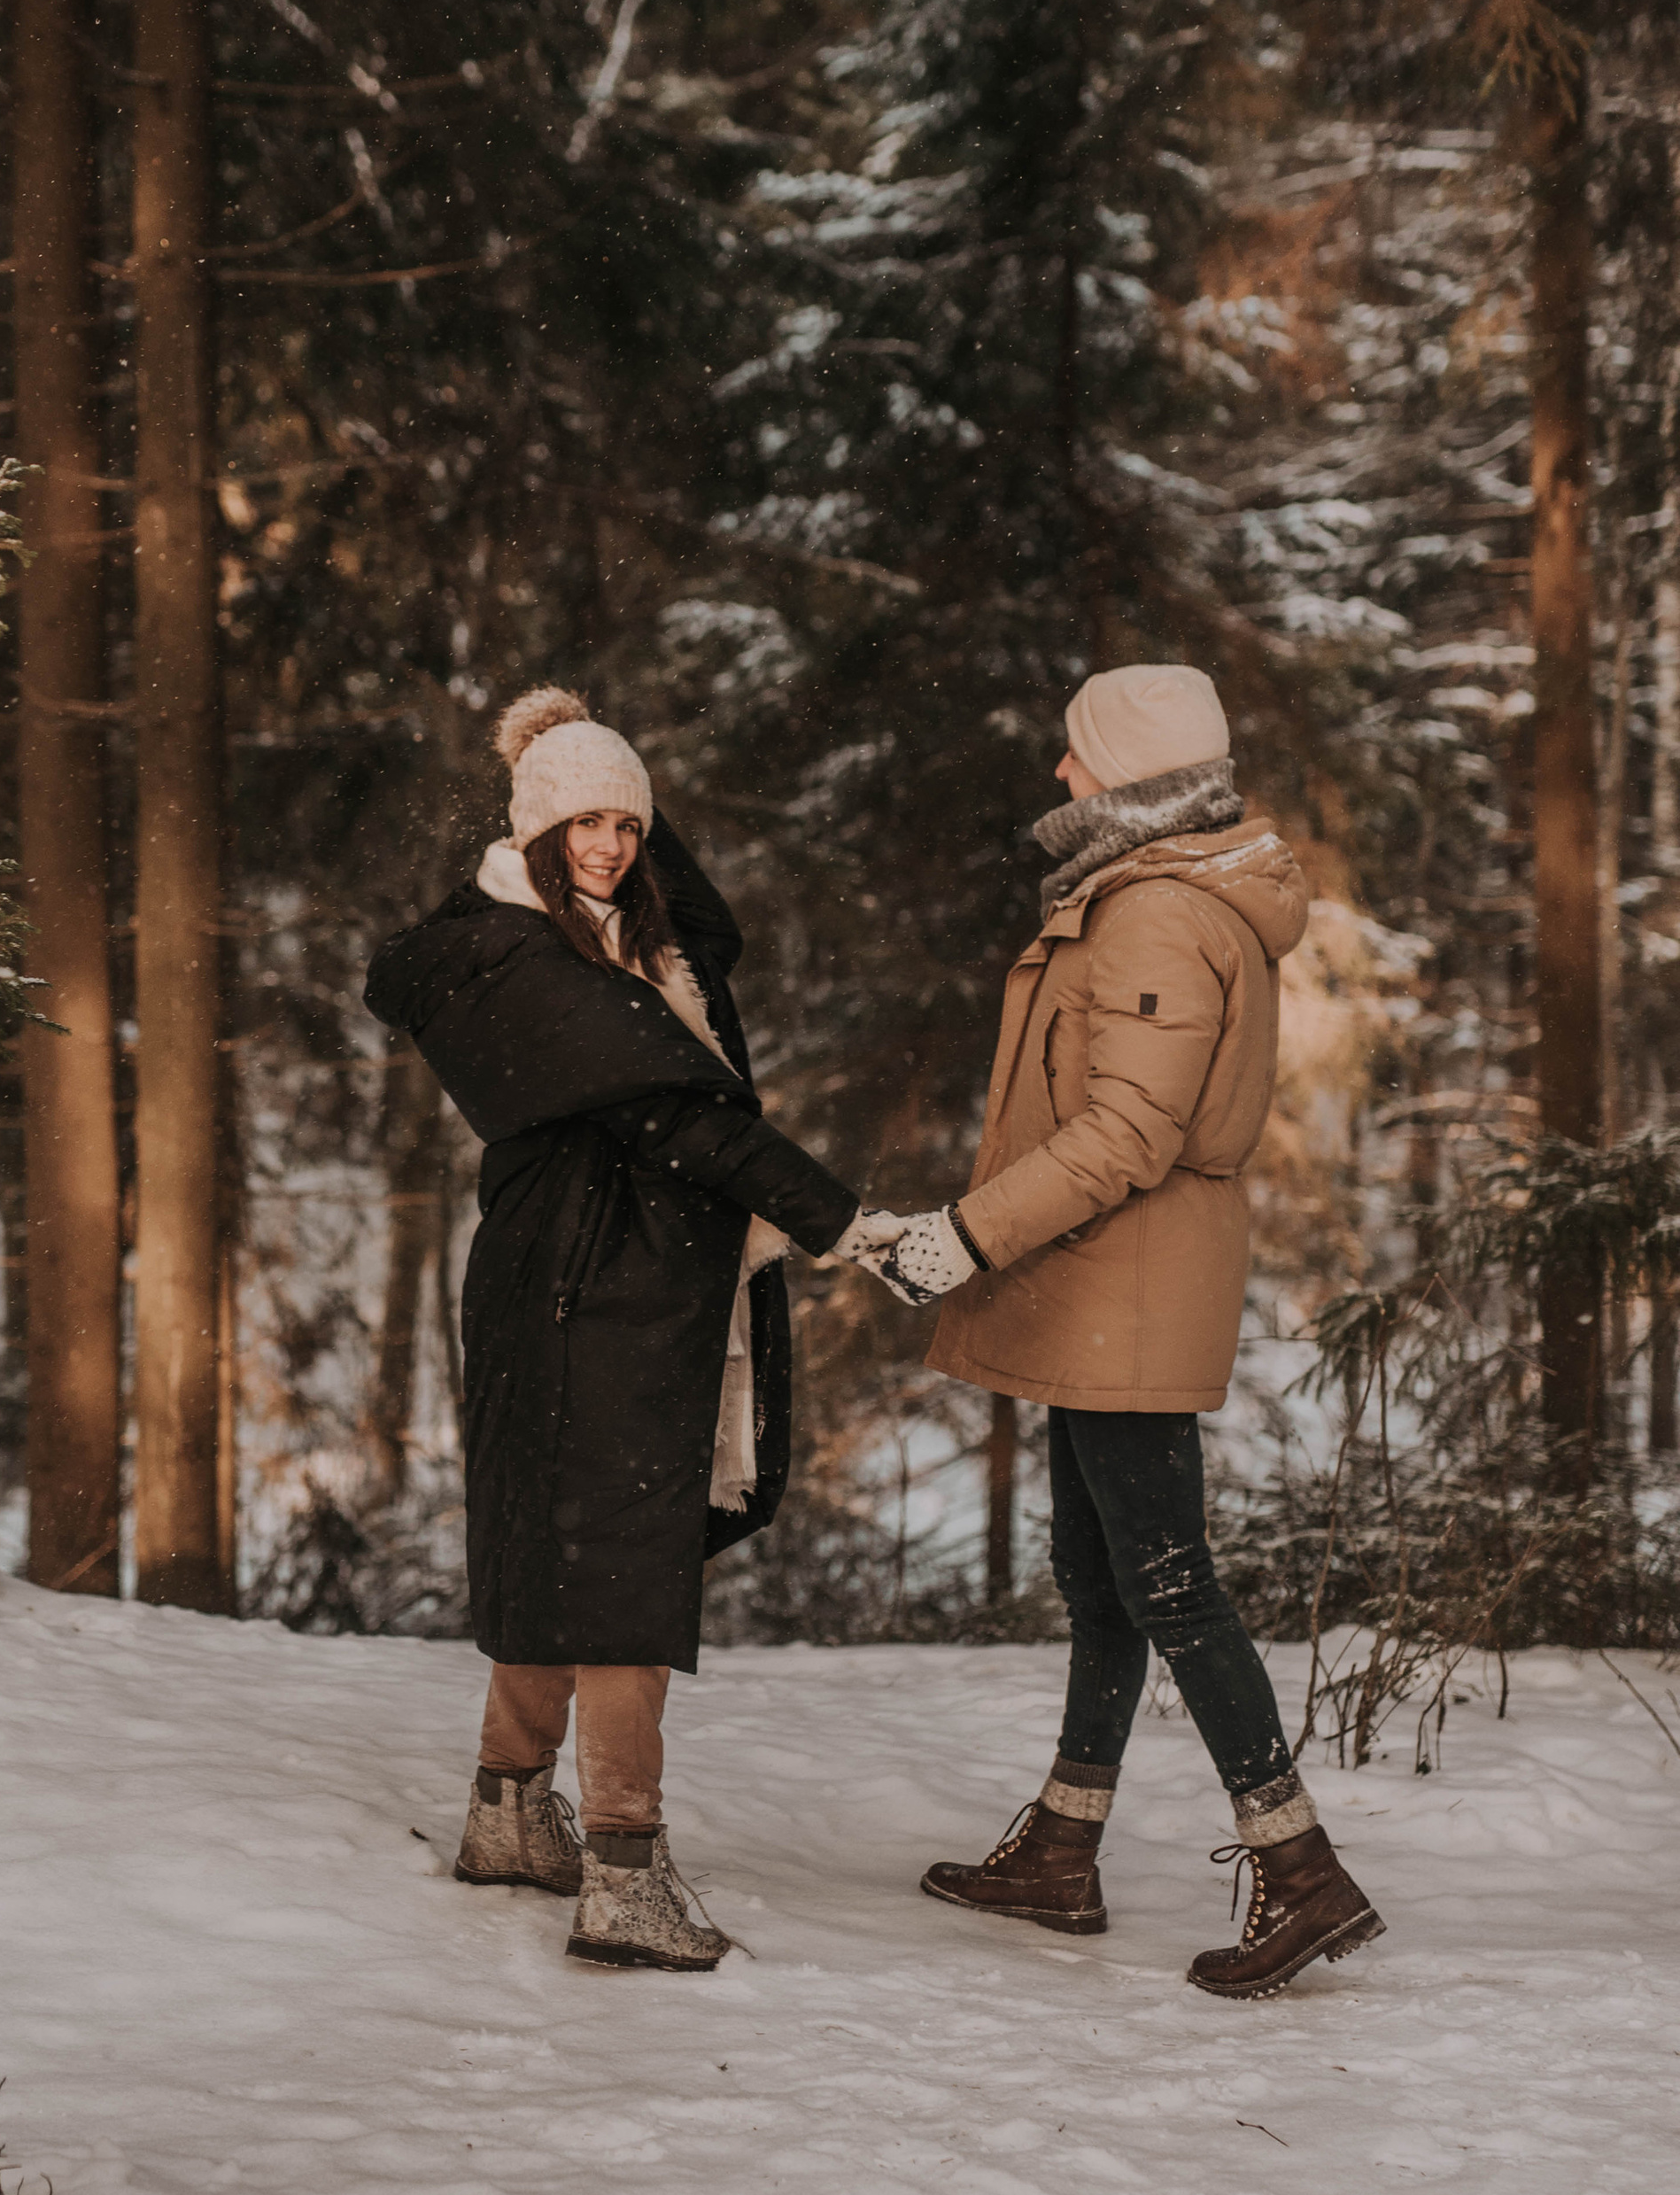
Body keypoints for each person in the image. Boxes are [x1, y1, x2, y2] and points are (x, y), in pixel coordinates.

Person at [364, 688, 910, 1973]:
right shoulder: (514, 958)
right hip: (581, 1286)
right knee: (619, 1565)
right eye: (584, 823)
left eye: (629, 823)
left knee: (572, 1547)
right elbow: (687, 1120)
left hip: (610, 1275)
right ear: (534, 829)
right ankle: (623, 1864)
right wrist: (850, 1224)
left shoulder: (624, 932)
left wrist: (582, 745)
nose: (611, 846)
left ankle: (507, 1810)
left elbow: (710, 926)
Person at [884, 665, 1385, 1998]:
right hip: (1098, 1279)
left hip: (1125, 1281)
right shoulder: (1143, 893)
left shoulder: (1161, 910)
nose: (1058, 776)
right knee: (1100, 1567)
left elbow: (1126, 1132)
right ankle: (1064, 1839)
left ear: (1128, 773)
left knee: (1165, 1576)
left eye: (1075, 756)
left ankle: (1301, 1866)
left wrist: (965, 1233)